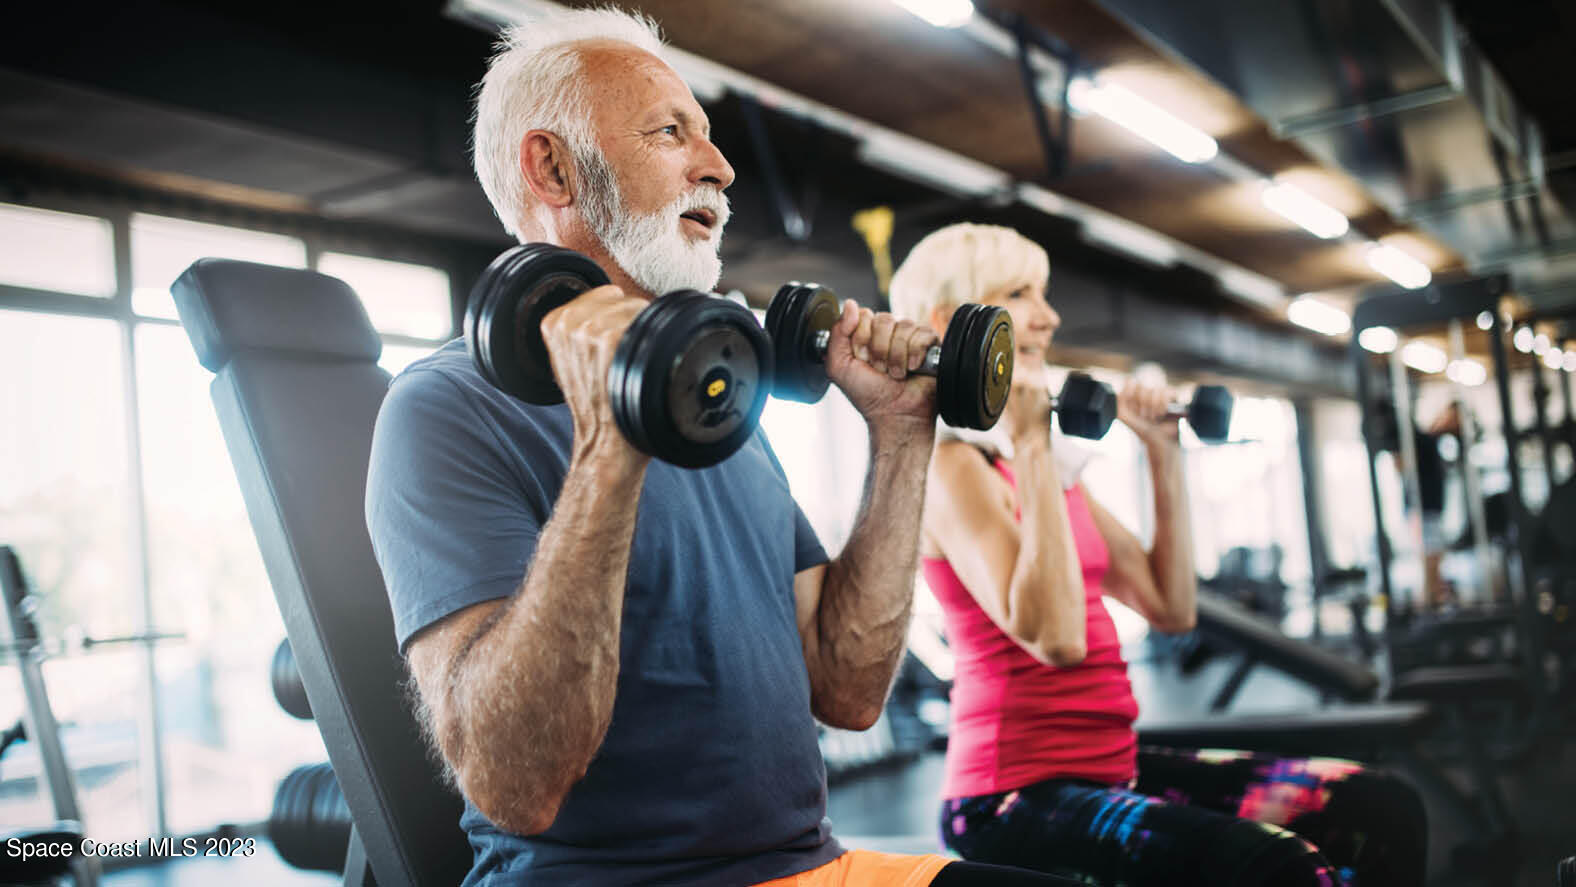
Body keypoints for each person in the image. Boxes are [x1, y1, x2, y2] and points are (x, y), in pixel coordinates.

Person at [365, 9, 1074, 887]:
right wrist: (608, 447)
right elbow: (516, 782)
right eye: (672, 133)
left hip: (812, 866)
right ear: (552, 167)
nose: (721, 167)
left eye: (708, 136)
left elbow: (848, 691)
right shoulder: (444, 408)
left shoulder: (720, 402)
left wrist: (899, 435)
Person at [890, 223, 1429, 887]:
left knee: (1379, 805)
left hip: (1110, 762)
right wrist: (1031, 444)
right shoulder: (952, 466)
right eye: (1021, 294)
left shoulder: (1047, 468)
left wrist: (1160, 450)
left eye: (1045, 293)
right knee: (1282, 868)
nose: (1050, 316)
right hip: (1010, 794)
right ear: (952, 321)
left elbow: (1168, 606)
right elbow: (1055, 637)